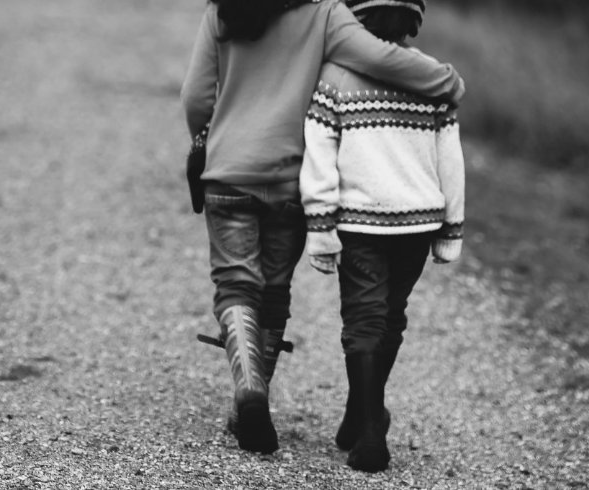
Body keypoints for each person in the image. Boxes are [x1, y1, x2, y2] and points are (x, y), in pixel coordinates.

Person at [180, 0, 466, 455]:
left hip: (229, 171)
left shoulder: (224, 10)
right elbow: (381, 57)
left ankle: (250, 391)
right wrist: (447, 81)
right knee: (273, 291)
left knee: (235, 284)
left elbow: (196, 97)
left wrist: (207, 137)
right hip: (291, 177)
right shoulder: (325, 14)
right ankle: (255, 401)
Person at [299, 0, 465, 472]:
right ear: (413, 20)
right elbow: (449, 159)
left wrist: (319, 225)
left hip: (359, 223)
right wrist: (452, 227)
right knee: (390, 317)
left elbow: (319, 155)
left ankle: (370, 428)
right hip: (418, 222)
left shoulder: (334, 77)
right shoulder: (431, 77)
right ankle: (363, 414)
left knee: (363, 321)